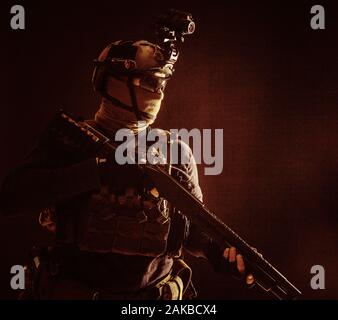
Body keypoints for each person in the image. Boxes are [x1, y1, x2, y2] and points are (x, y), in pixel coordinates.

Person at [0, 40, 252, 300]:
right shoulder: (73, 141)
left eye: (162, 83)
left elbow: (189, 230)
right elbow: (10, 197)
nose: (159, 91)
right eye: (149, 82)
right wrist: (96, 173)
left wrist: (216, 252)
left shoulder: (175, 151)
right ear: (114, 82)